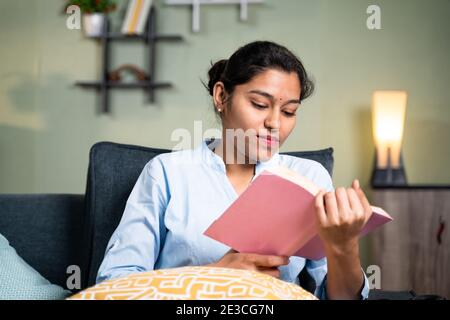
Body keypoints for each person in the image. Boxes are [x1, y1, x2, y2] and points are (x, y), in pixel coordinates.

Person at [97, 41, 371, 300]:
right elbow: (114, 284)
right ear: (221, 96)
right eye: (260, 105)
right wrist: (213, 275)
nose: (275, 122)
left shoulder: (310, 177)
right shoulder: (168, 173)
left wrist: (343, 246)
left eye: (289, 112)